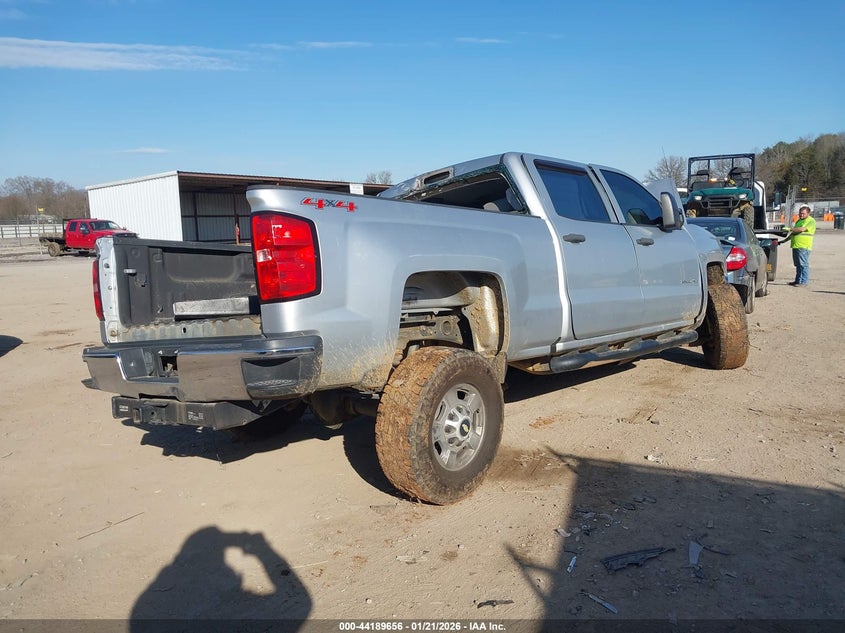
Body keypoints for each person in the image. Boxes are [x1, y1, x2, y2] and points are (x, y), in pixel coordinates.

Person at [780, 205, 816, 286]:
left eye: (803, 213)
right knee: (798, 264)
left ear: (808, 213)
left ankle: (804, 281)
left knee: (803, 264)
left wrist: (790, 229)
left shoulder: (811, 221)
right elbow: (794, 233)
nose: (801, 215)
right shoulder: (799, 221)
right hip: (796, 245)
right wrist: (783, 241)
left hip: (804, 246)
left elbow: (802, 229)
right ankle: (798, 280)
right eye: (800, 213)